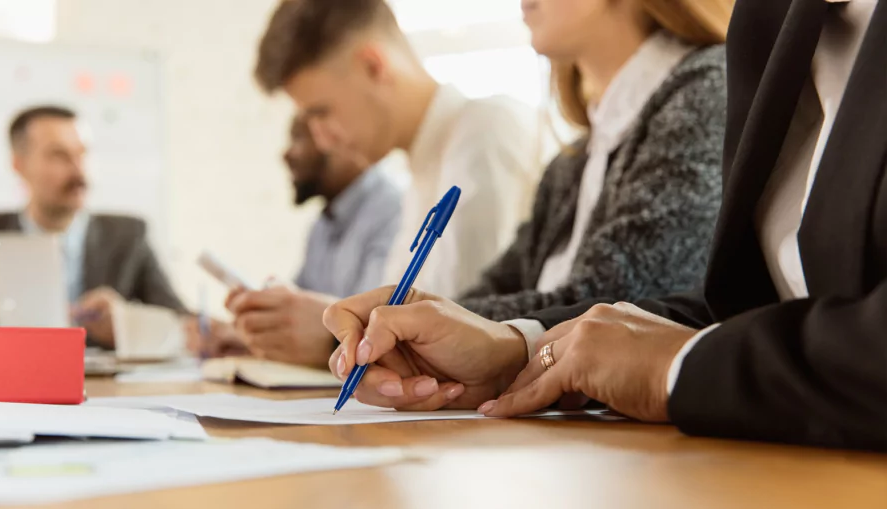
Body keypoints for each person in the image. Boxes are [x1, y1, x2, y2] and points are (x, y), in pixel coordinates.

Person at [324, 0, 887, 452]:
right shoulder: (770, 23)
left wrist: (680, 364)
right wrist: (516, 348)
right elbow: (752, 303)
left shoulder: (702, 86)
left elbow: (638, 297)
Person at [459, 0, 730, 322]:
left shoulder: (706, 98)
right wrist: (418, 318)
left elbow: (613, 309)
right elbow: (501, 284)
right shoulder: (573, 162)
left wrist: (437, 323)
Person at [254, 0, 541, 299]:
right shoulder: (422, 169)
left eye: (321, 113)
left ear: (373, 67)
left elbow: (461, 317)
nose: (323, 141)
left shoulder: (485, 131)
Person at [0, 105, 187, 349]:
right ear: (19, 164)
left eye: (82, 154)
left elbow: (182, 322)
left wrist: (127, 324)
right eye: (59, 156)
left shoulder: (128, 236)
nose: (78, 170)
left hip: (103, 385)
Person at [197, 115, 404, 366]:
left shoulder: (397, 210)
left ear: (340, 139)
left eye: (299, 138)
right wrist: (256, 328)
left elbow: (378, 323)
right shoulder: (322, 225)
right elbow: (302, 312)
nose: (286, 154)